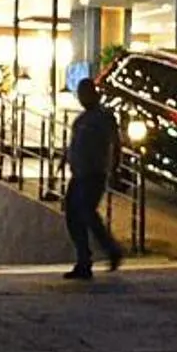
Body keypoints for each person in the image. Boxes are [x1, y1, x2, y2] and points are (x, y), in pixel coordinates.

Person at [62, 75, 125, 278]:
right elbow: (73, 145)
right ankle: (84, 259)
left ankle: (109, 250)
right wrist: (65, 160)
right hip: (78, 174)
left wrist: (115, 169)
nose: (81, 98)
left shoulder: (104, 117)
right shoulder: (80, 120)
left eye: (84, 93)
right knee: (73, 214)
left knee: (86, 211)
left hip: (94, 174)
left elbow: (116, 144)